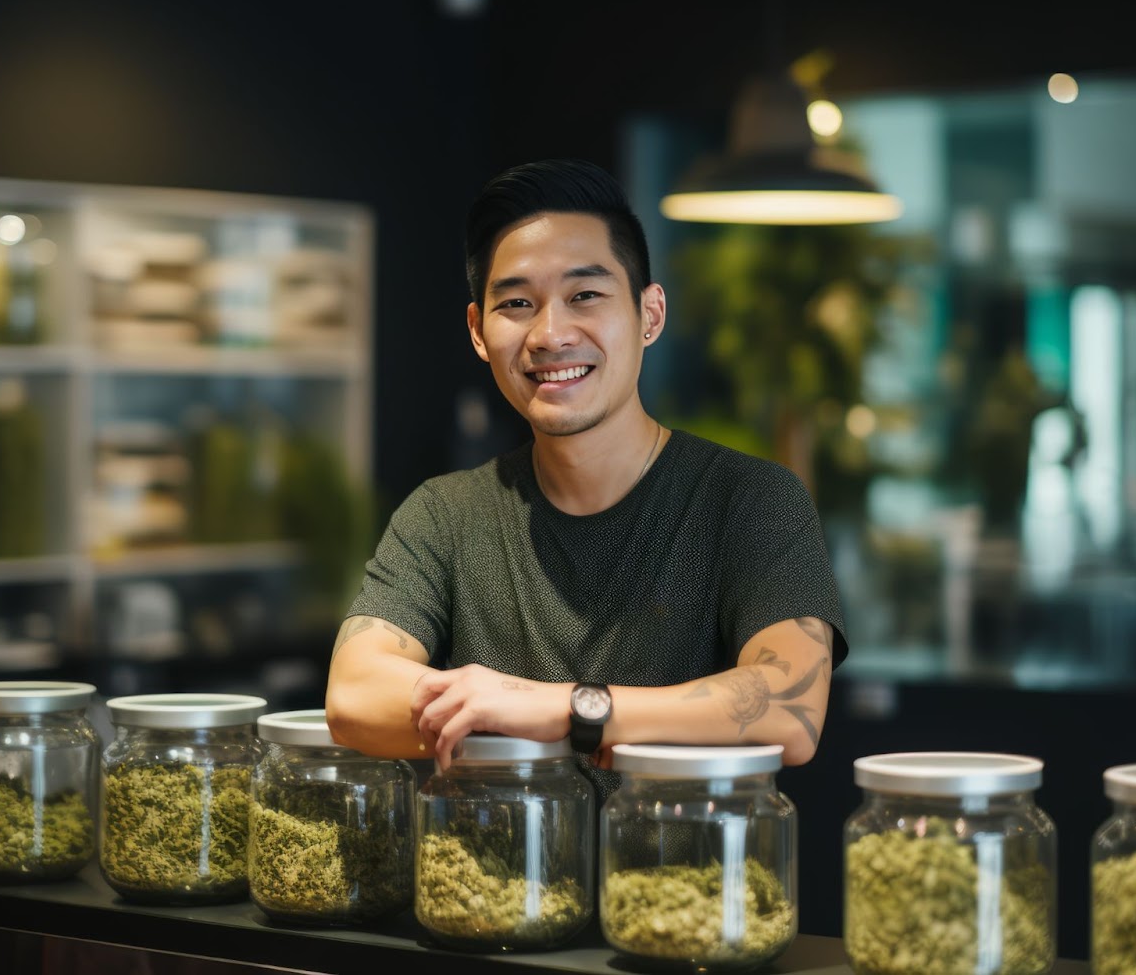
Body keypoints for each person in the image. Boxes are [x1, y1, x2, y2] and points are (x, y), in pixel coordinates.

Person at [325, 158, 845, 794]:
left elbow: (790, 708)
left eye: (586, 296)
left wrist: (562, 709)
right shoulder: (445, 514)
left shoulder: (751, 500)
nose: (549, 334)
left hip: (688, 883)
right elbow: (354, 695)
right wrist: (505, 707)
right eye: (516, 303)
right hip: (499, 892)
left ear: (649, 316)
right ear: (478, 333)